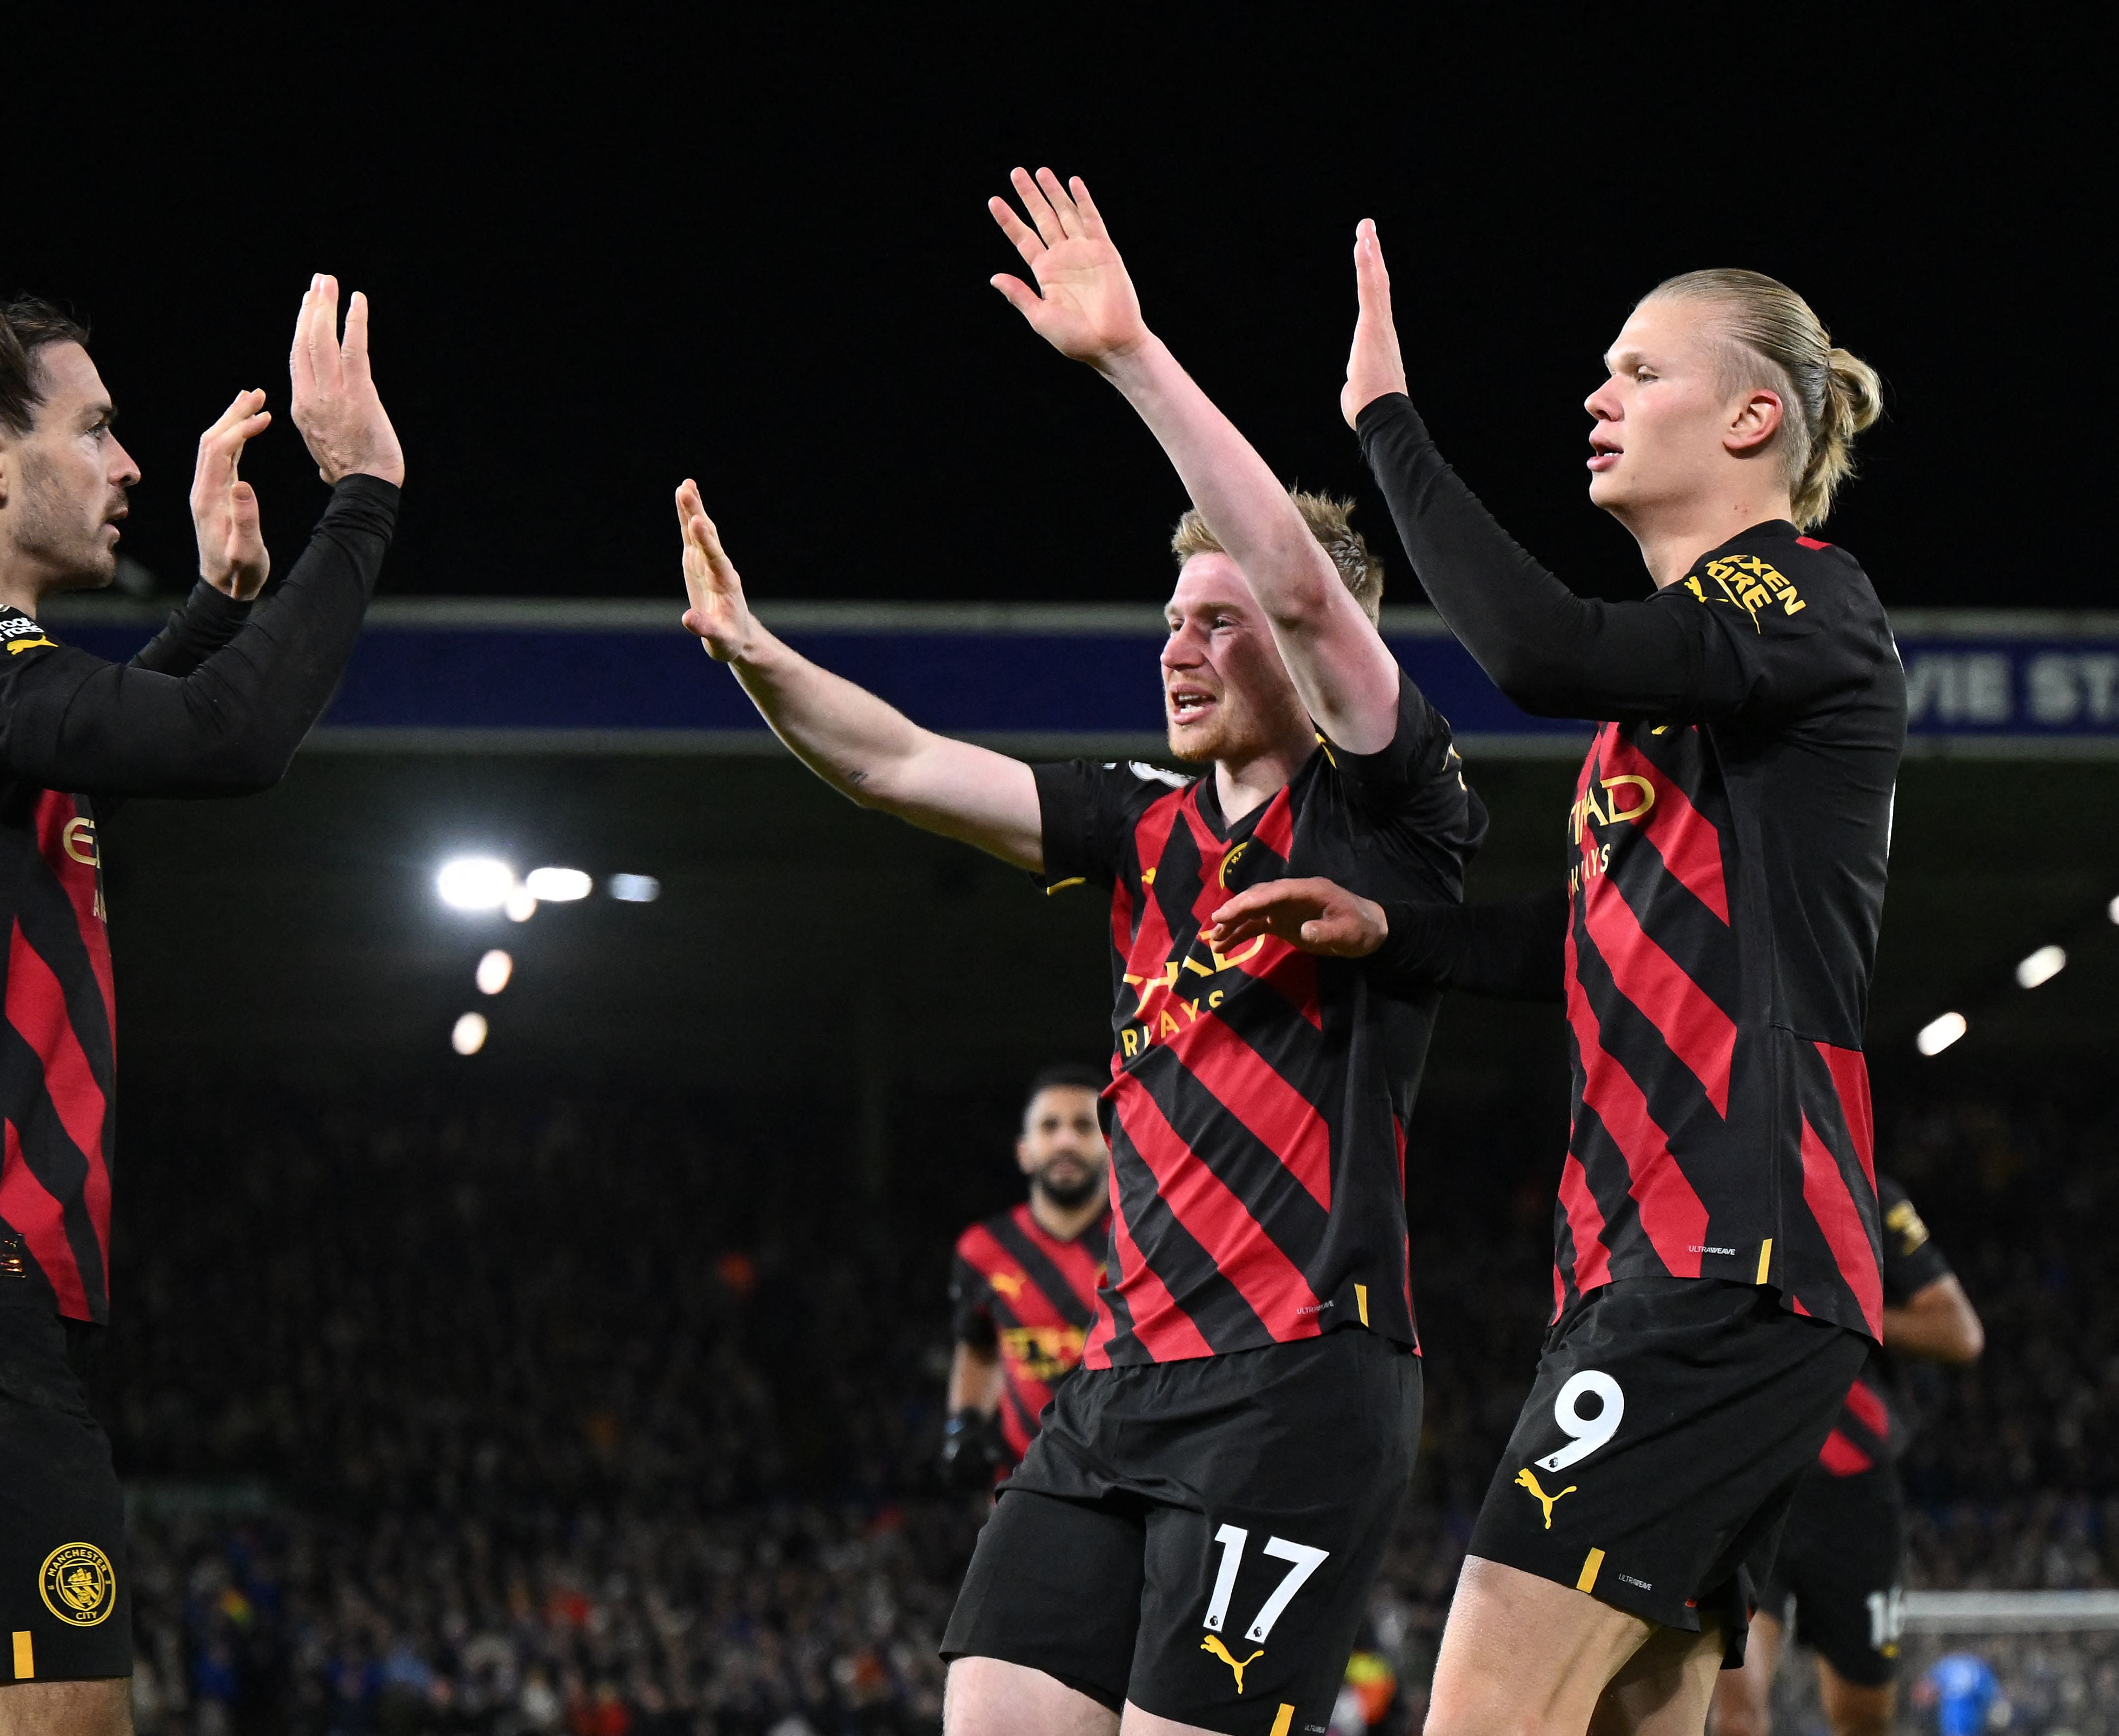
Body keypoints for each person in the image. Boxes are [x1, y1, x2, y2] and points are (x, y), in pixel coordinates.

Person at [675, 168, 1484, 1735]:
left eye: (1214, 620)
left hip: (1292, 1386)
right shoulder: (1135, 829)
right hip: (1115, 1394)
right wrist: (763, 660)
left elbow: (1314, 597)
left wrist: (1128, 359)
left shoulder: (1392, 813)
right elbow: (903, 765)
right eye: (1167, 618)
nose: (1175, 646)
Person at [1210, 225, 1903, 1733]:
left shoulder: (1804, 599)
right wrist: (1390, 932)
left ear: (1750, 420)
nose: (1598, 396)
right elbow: (1571, 945)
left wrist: (1385, 422)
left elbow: (1536, 648)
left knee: (1484, 1710)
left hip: (1726, 1260)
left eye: (1640, 369)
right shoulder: (1665, 715)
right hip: (1662, 1269)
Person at [0, 260, 406, 1734]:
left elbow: (80, 745)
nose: (129, 464)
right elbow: (226, 741)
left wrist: (210, 611)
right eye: (99, 430)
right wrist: (362, 494)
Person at [1709, 1176, 1983, 1736]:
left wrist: (1834, 1308)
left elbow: (1960, 1333)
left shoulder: (1867, 1198)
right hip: (1748, 1489)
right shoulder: (1714, 1191)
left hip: (1852, 1501)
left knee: (1863, 1720)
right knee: (1734, 1716)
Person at [941, 1065, 1113, 1489]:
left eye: (1082, 1126)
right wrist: (963, 1425)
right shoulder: (982, 1249)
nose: (1065, 1140)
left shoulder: (1148, 1244)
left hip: (1128, 1482)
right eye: (1049, 1126)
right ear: (1023, 1149)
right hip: (1022, 1483)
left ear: (1114, 1146)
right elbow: (978, 1347)